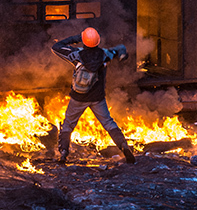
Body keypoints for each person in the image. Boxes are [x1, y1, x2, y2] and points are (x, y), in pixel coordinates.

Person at [51, 27, 136, 164]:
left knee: (68, 125)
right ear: (98, 41)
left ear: (83, 41)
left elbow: (56, 47)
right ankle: (124, 147)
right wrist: (122, 56)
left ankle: (63, 153)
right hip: (97, 99)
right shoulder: (105, 54)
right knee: (108, 123)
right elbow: (120, 49)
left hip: (78, 98)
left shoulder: (76, 55)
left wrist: (76, 38)